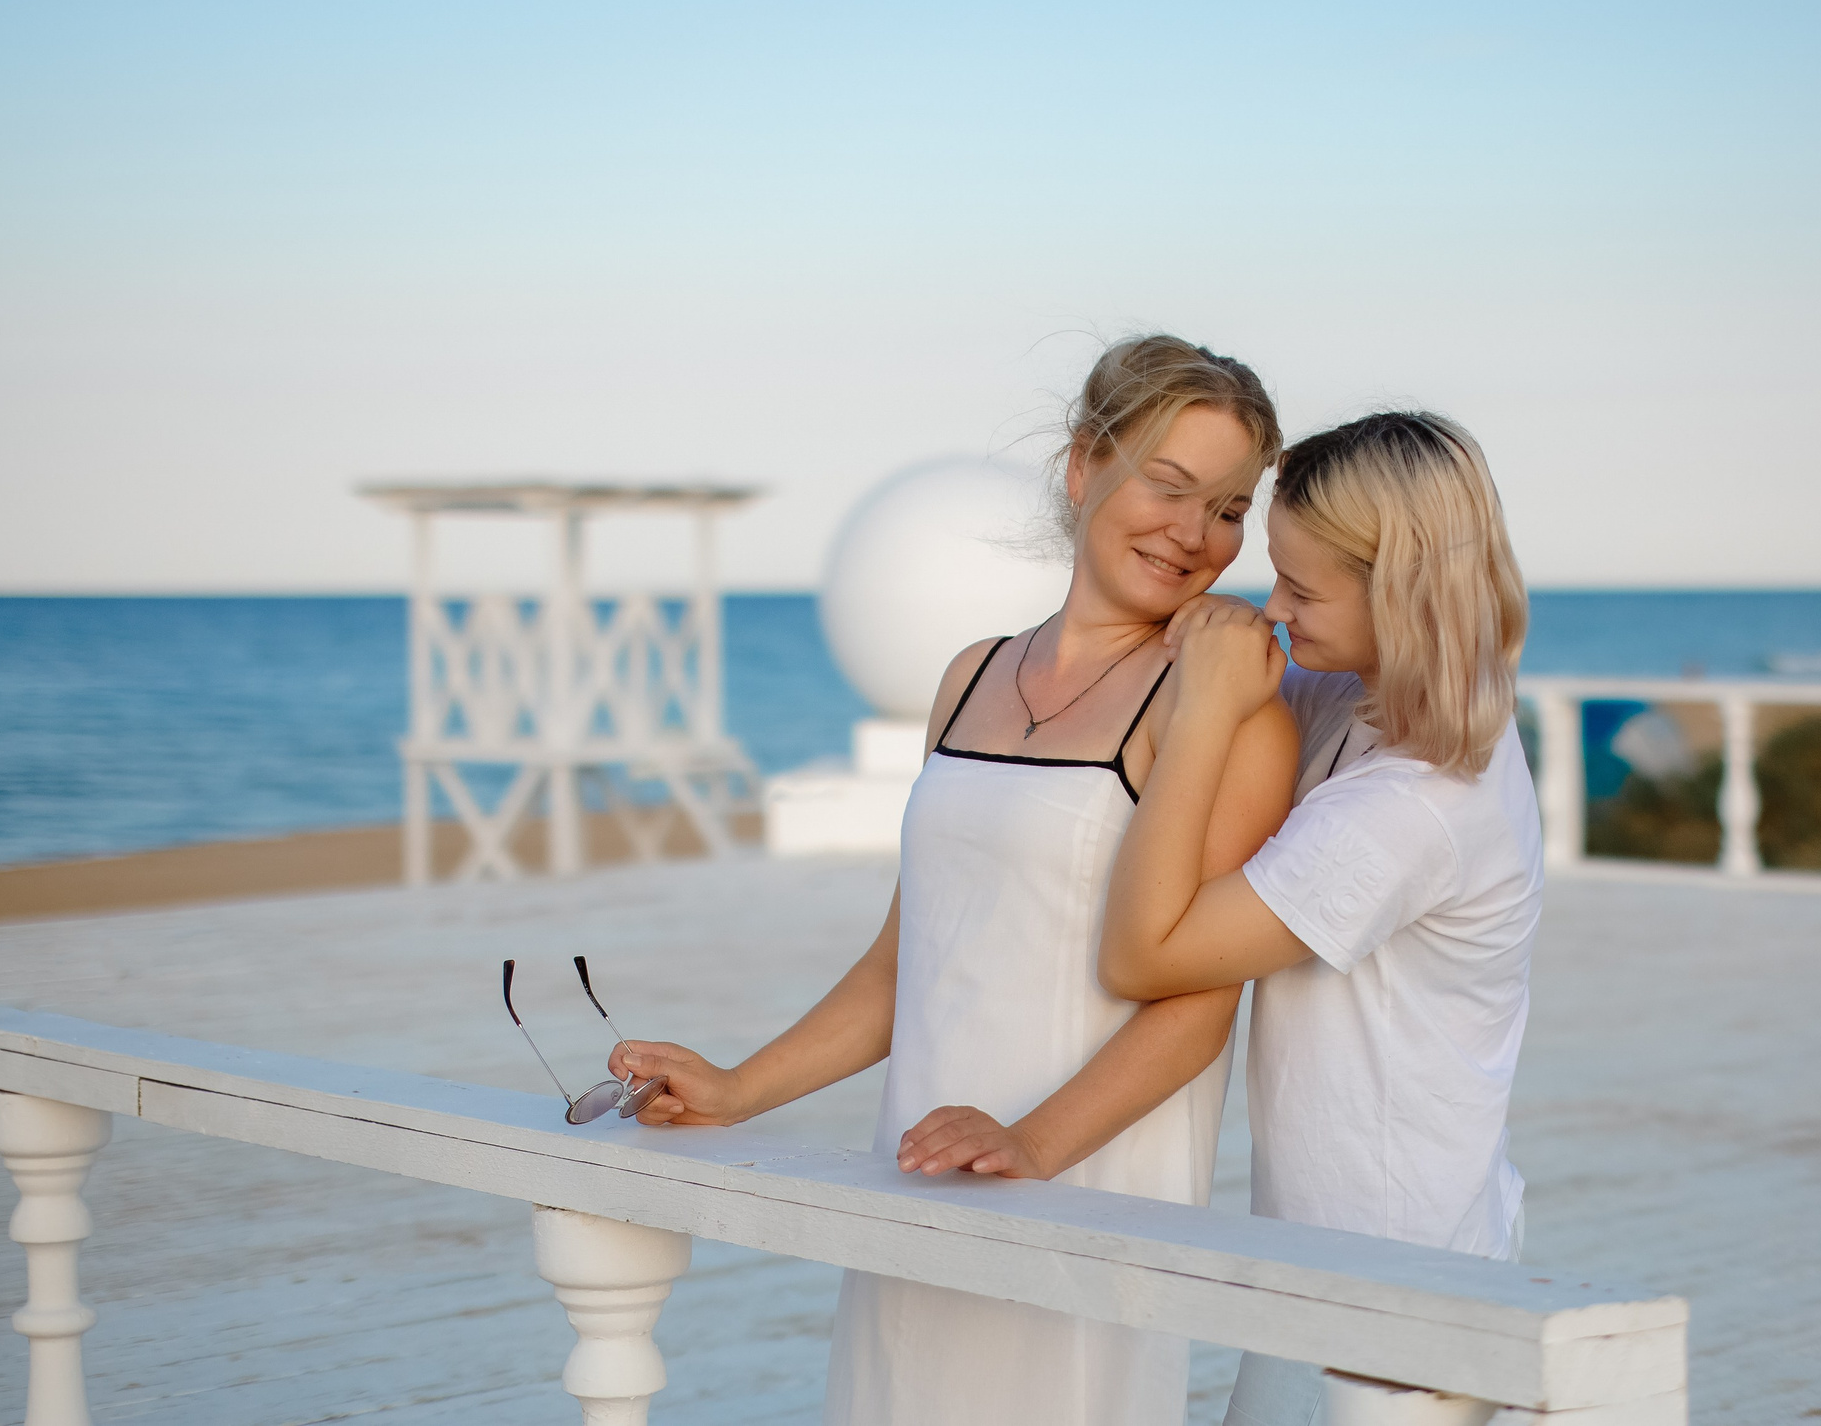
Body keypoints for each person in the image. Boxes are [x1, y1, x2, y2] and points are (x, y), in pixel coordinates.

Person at [607, 334, 1299, 1426]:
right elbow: (905, 963)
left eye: (1226, 508)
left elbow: (1198, 1011)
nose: (1193, 534)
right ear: (1083, 466)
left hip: (1082, 1183)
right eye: (1169, 486)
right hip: (922, 1171)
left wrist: (1030, 1147)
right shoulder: (969, 675)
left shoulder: (1223, 710)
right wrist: (740, 1089)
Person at [1097, 410, 1542, 1426]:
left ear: (1402, 591)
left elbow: (1143, 954)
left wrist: (1208, 712)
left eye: (1300, 588)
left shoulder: (1417, 805)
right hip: (1326, 1264)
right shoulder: (1365, 697)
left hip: (1398, 1304)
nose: (1274, 608)